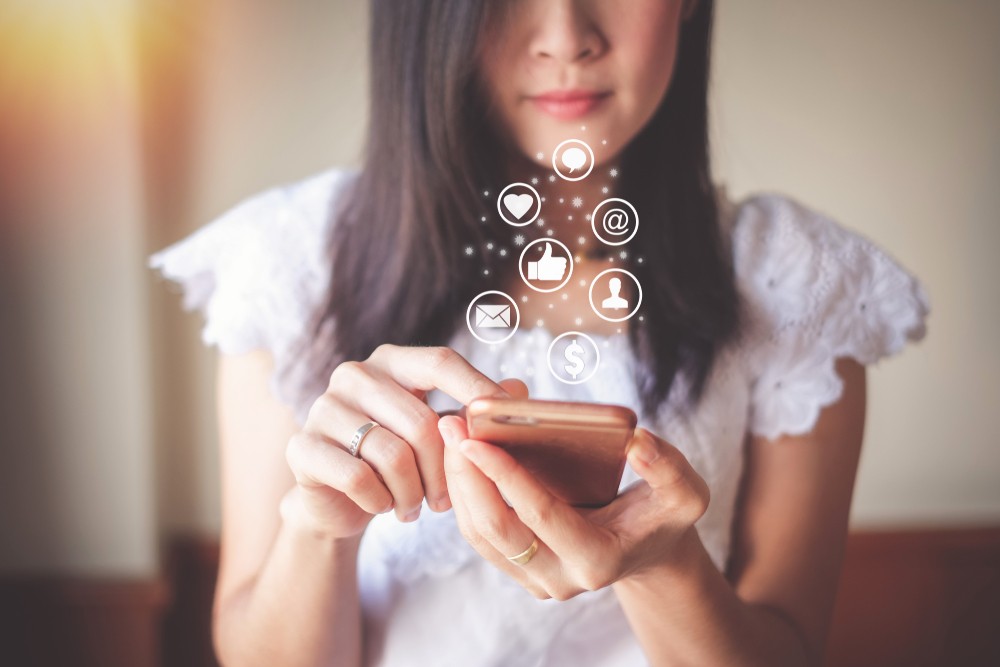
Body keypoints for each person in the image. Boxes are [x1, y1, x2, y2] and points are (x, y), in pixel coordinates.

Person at [147, 1, 930, 665]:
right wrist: (321, 525)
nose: (565, 34)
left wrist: (665, 567)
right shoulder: (295, 259)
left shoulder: (795, 282)